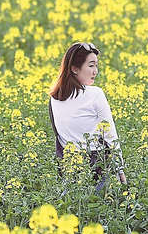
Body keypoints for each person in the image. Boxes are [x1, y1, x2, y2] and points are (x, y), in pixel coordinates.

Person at [49, 42, 126, 190]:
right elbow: (111, 138)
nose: (95, 71)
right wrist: (121, 175)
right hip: (98, 168)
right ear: (75, 69)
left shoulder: (54, 98)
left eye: (96, 66)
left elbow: (59, 136)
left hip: (69, 170)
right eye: (91, 66)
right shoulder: (95, 94)